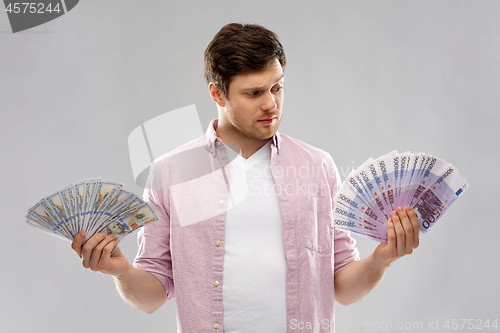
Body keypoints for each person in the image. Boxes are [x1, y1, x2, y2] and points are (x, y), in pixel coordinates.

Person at [71, 23, 420, 332]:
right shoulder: (172, 172)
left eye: (277, 88)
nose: (271, 104)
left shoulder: (317, 166)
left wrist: (381, 259)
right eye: (254, 93)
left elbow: (342, 286)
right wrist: (121, 271)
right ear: (217, 94)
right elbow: (150, 297)